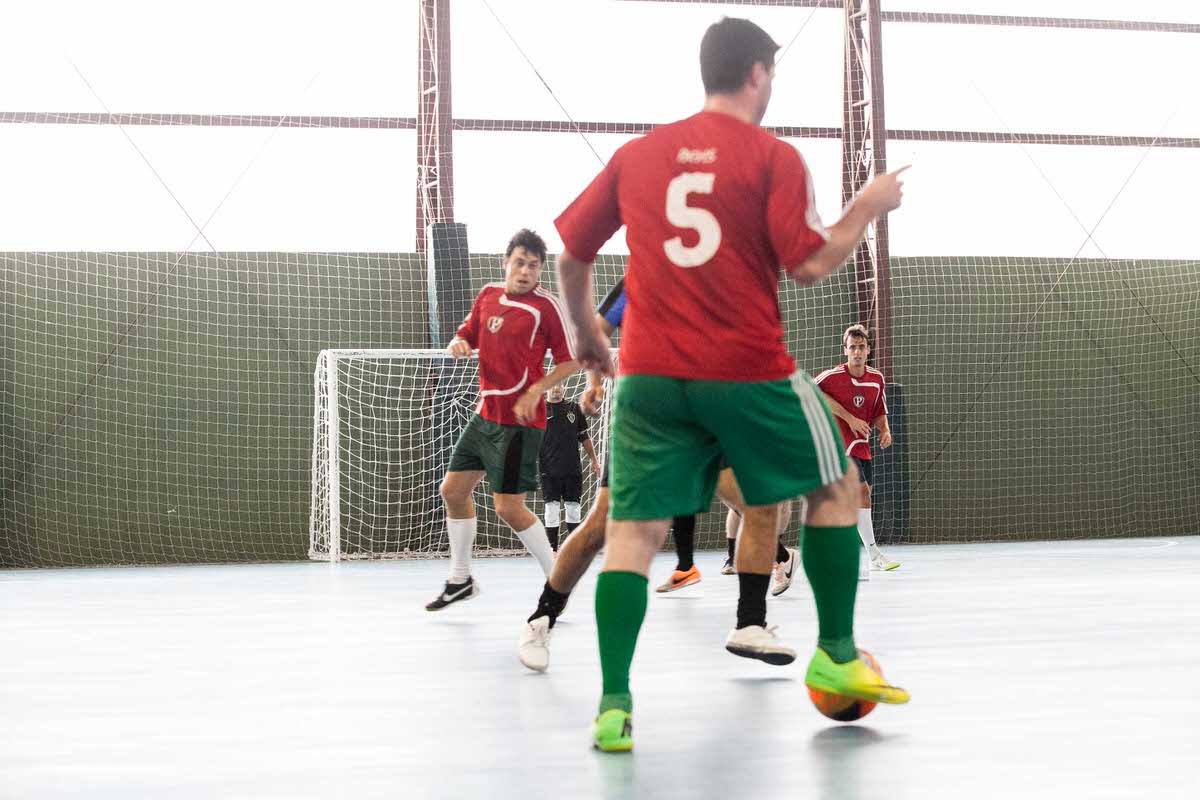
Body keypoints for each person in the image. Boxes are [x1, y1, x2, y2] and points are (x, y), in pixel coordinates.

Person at [553, 17, 911, 751]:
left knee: (633, 535)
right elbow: (810, 263)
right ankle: (837, 654)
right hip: (746, 369)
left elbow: (572, 254)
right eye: (772, 74)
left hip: (649, 376)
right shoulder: (773, 157)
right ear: (757, 73)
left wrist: (587, 334)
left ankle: (614, 705)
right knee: (837, 488)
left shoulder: (639, 154)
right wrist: (867, 207)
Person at [425, 229, 579, 611]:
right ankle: (460, 580)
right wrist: (458, 342)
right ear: (505, 262)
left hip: (519, 424)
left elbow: (570, 361)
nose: (525, 271)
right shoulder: (488, 295)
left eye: (533, 266)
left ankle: (558, 582)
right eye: (519, 263)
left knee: (509, 507)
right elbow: (466, 333)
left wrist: (535, 390)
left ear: (540, 270)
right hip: (485, 416)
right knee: (453, 492)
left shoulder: (547, 307)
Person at [816, 324, 901, 576]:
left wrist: (885, 430)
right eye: (852, 347)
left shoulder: (876, 379)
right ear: (845, 350)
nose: (857, 351)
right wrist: (849, 418)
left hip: (861, 448)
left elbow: (878, 411)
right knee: (861, 493)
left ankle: (832, 554)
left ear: (868, 350)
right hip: (838, 446)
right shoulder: (832, 377)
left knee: (859, 501)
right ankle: (873, 555)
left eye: (861, 347)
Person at [539, 384, 600, 552]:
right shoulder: (539, 410)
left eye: (559, 385)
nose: (556, 389)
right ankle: (553, 549)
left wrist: (594, 460)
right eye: (553, 385)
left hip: (572, 469)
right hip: (548, 470)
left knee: (573, 509)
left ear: (563, 387)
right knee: (551, 510)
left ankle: (574, 548)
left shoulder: (574, 408)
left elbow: (584, 437)